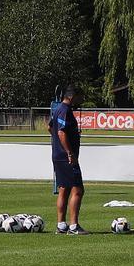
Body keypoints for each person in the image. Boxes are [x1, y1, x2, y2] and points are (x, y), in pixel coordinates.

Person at [50, 85, 86, 235]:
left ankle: (61, 225)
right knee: (78, 189)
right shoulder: (65, 110)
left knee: (63, 189)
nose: (81, 100)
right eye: (79, 97)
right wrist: (70, 153)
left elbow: (50, 127)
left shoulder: (57, 109)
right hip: (67, 157)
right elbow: (61, 132)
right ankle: (74, 226)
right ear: (71, 96)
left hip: (57, 155)